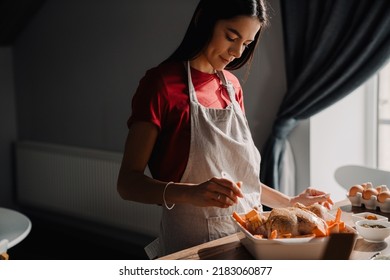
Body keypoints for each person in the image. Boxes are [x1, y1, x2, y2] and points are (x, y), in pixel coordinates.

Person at [117, 0, 333, 257]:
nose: (238, 52)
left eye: (247, 44)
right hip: (194, 247)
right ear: (203, 19)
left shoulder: (232, 87)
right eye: (231, 37)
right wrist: (191, 193)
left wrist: (289, 202)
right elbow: (127, 183)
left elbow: (241, 182)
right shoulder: (161, 85)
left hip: (251, 238)